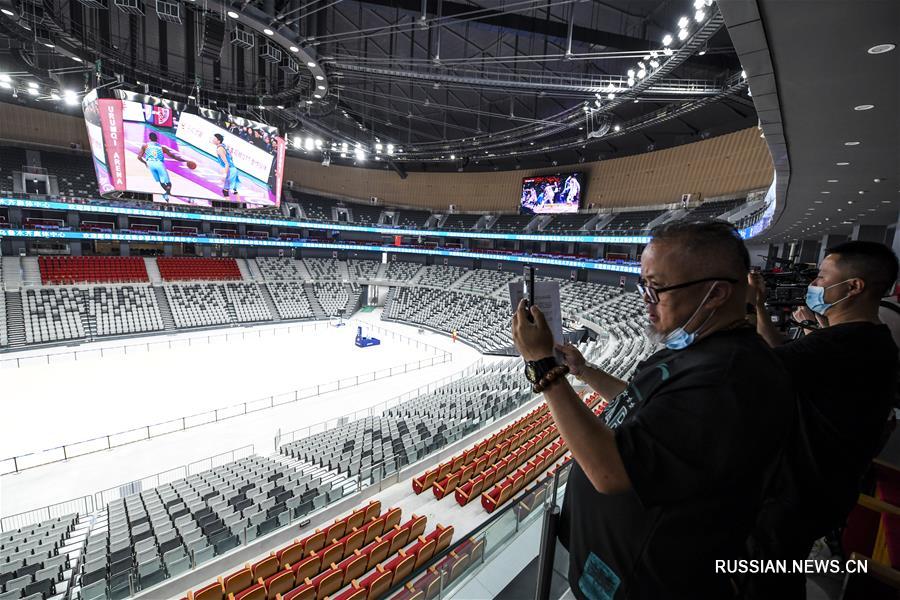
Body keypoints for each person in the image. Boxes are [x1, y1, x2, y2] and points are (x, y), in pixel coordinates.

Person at [512, 220, 793, 599]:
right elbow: (643, 404)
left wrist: (543, 365)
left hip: (645, 584)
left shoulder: (728, 379)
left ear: (716, 294)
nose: (644, 298)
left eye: (657, 288)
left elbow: (610, 473)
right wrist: (582, 371)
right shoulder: (702, 352)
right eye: (644, 284)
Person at [746, 240, 899, 599]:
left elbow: (758, 367)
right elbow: (784, 353)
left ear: (854, 286)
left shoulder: (842, 344)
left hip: (797, 496)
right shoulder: (868, 339)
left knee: (764, 583)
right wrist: (761, 308)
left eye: (822, 276)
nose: (814, 283)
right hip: (821, 493)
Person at [137, 132, 190, 201]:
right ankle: (166, 194)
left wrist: (145, 163)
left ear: (149, 138)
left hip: (150, 164)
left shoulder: (145, 146)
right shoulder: (162, 147)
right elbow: (173, 156)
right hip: (159, 164)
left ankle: (168, 193)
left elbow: (139, 157)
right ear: (157, 139)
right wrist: (185, 160)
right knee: (168, 183)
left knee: (161, 181)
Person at [211, 133, 240, 197]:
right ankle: (240, 205)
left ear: (218, 141)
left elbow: (226, 163)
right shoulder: (223, 145)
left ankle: (229, 206)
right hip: (233, 169)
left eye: (214, 138)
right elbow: (231, 157)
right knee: (234, 191)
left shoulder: (219, 149)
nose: (213, 139)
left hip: (230, 170)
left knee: (225, 191)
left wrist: (224, 175)